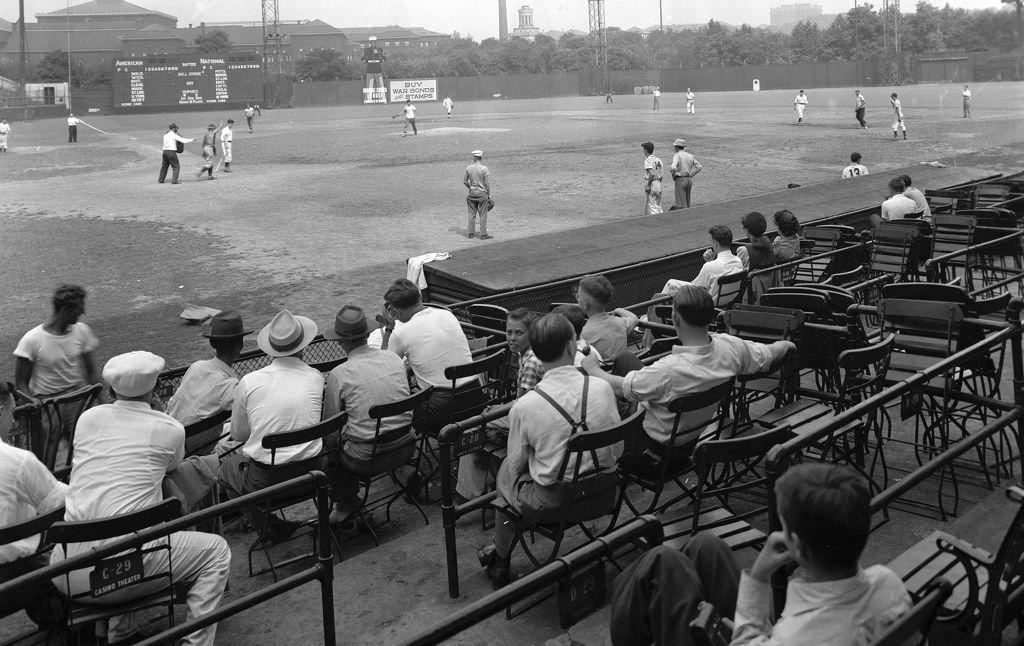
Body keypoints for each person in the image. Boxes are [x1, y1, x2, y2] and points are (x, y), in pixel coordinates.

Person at [608, 463, 911, 646]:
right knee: (705, 544)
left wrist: (759, 577)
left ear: (794, 544)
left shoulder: (798, 637)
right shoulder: (887, 584)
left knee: (663, 561)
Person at [53, 351, 230, 646]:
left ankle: (121, 630)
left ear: (111, 389)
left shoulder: (88, 419)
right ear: (155, 387)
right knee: (216, 552)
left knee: (138, 516)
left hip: (68, 570)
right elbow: (172, 467)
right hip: (129, 568)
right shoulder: (168, 428)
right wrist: (157, 412)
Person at [477, 313, 621, 588]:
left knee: (507, 471)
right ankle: (498, 552)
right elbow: (617, 448)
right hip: (604, 495)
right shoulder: (602, 388)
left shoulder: (526, 406)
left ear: (536, 352)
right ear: (572, 346)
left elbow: (517, 466)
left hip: (553, 505)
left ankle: (501, 557)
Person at [583, 285, 793, 449]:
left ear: (675, 318)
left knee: (609, 385)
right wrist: (786, 344)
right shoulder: (731, 346)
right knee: (625, 358)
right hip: (694, 436)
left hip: (652, 449)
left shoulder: (668, 370)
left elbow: (621, 388)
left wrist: (593, 370)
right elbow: (770, 353)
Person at [217, 310, 325, 539]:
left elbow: (238, 434)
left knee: (225, 469)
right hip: (315, 472)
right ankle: (270, 525)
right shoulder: (315, 376)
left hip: (267, 482)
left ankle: (266, 527)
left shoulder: (250, 382)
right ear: (302, 345)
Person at [324, 305, 421, 526]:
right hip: (406, 446)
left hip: (365, 459)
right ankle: (405, 471)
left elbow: (330, 429)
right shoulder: (394, 360)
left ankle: (347, 505)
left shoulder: (339, 374)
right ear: (368, 334)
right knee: (380, 426)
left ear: (339, 341)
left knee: (328, 454)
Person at [0, 381, 68, 633]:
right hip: (13, 579)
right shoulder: (17, 461)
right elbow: (63, 503)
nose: (14, 422)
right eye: (12, 413)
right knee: (63, 570)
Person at [380, 279, 476, 437]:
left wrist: (389, 329)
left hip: (440, 410)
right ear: (419, 299)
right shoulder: (447, 314)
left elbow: (383, 367)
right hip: (475, 396)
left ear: (395, 310)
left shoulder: (400, 331)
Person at [166, 310, 251, 453]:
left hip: (172, 439)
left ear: (212, 343)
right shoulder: (230, 387)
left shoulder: (196, 367)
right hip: (193, 450)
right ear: (240, 345)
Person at [14, 284, 99, 404]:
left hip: (79, 398)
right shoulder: (31, 340)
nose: (83, 312)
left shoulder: (82, 331)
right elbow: (21, 384)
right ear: (65, 310)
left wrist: (104, 404)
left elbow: (91, 371)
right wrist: (33, 402)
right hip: (49, 404)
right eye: (78, 308)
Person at [661, 225, 744, 303]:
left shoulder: (710, 266)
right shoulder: (738, 261)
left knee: (671, 284)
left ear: (715, 243)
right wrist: (710, 261)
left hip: (706, 306)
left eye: (711, 241)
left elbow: (694, 288)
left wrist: (709, 263)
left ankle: (651, 316)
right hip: (725, 303)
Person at [577, 274, 639, 364]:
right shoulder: (620, 323)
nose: (577, 299)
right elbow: (634, 318)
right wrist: (619, 310)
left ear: (584, 304)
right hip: (623, 371)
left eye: (578, 296)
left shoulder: (584, 334)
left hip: (602, 374)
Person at [738, 211, 778, 301]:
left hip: (749, 295)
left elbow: (737, 276)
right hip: (769, 291)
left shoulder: (744, 250)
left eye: (744, 226)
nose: (742, 228)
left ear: (748, 229)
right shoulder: (769, 245)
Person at [464, 149, 492, 239]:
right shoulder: (484, 169)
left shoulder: (468, 168)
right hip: (481, 193)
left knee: (471, 214)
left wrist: (470, 188)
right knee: (483, 214)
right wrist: (489, 194)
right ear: (481, 157)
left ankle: (470, 233)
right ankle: (483, 234)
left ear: (474, 157)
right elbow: (487, 183)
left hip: (472, 193)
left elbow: (465, 181)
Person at [669, 138, 703, 210]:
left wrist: (674, 175)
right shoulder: (690, 155)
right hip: (688, 180)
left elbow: (673, 167)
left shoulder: (677, 155)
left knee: (680, 204)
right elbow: (699, 167)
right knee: (687, 203)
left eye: (675, 146)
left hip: (680, 180)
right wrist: (690, 175)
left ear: (677, 147)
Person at [641, 141, 664, 216]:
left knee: (653, 208)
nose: (643, 151)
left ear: (646, 150)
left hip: (652, 184)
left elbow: (651, 173)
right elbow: (661, 174)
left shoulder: (648, 160)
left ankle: (656, 224)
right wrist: (658, 183)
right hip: (659, 184)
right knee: (659, 206)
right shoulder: (659, 160)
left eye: (643, 149)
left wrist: (648, 185)